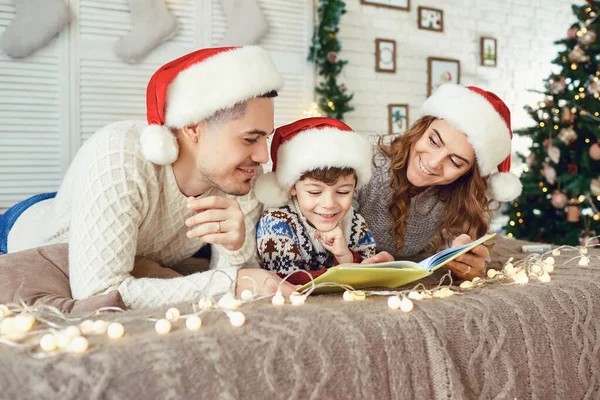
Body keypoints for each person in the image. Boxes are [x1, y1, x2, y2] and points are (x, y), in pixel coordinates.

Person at [0, 46, 298, 308]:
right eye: (250, 139)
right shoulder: (118, 155)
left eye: (265, 139)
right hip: (30, 225)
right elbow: (98, 292)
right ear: (193, 128)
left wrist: (235, 250)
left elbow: (243, 280)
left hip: (138, 227)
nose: (263, 156)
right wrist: (227, 284)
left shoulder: (241, 174)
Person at [356, 83, 523, 280]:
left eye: (455, 161)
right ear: (421, 128)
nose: (434, 162)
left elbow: (449, 245)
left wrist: (465, 258)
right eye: (433, 141)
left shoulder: (455, 194)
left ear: (467, 175)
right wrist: (359, 259)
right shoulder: (364, 159)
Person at [254, 117, 376, 283]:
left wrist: (344, 256)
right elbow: (283, 280)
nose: (329, 204)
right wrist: (344, 272)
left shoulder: (355, 222)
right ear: (292, 187)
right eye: (314, 192)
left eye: (343, 191)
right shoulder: (276, 221)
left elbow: (370, 273)